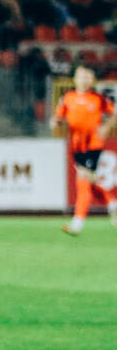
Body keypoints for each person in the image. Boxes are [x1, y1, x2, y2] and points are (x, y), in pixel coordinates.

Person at [52, 64, 117, 235]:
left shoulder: (98, 98)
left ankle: (77, 224)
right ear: (75, 79)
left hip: (93, 146)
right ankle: (113, 204)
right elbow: (59, 116)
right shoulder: (68, 97)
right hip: (75, 147)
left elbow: (114, 113)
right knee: (92, 182)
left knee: (83, 181)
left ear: (92, 80)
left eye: (87, 76)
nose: (84, 80)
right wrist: (55, 122)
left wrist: (106, 127)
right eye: (81, 76)